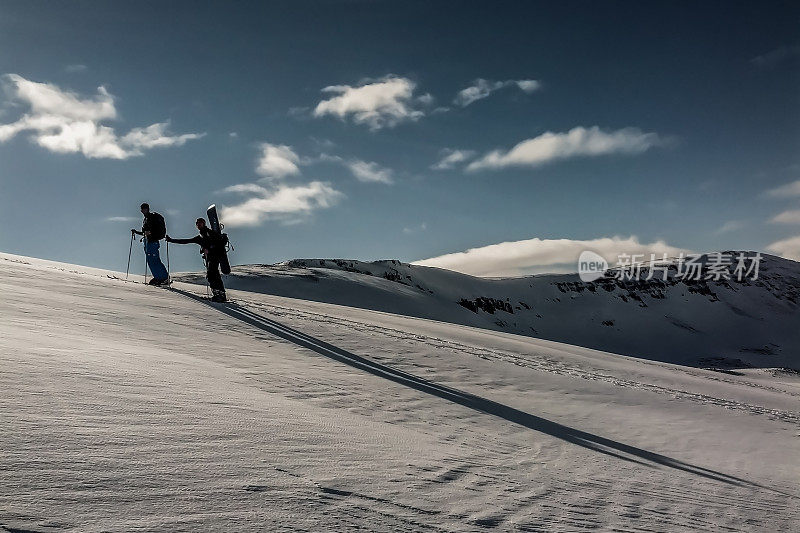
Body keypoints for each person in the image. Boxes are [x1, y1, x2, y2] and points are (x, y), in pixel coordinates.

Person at [166, 217, 227, 302]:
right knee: (213, 274)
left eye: (200, 223)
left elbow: (219, 243)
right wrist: (171, 240)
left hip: (215, 256)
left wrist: (209, 249)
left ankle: (219, 295)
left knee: (212, 274)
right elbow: (185, 241)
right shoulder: (200, 237)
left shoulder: (210, 233)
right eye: (197, 223)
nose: (199, 224)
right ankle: (219, 294)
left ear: (204, 223)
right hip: (209, 258)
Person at [132, 203, 169, 285]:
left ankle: (164, 278)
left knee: (155, 260)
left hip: (152, 241)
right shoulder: (146, 219)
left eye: (144, 208)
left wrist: (150, 233)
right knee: (151, 261)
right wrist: (136, 232)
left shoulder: (152, 217)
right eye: (142, 209)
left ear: (147, 209)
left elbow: (151, 231)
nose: (143, 210)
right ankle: (158, 277)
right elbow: (145, 232)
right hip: (148, 241)